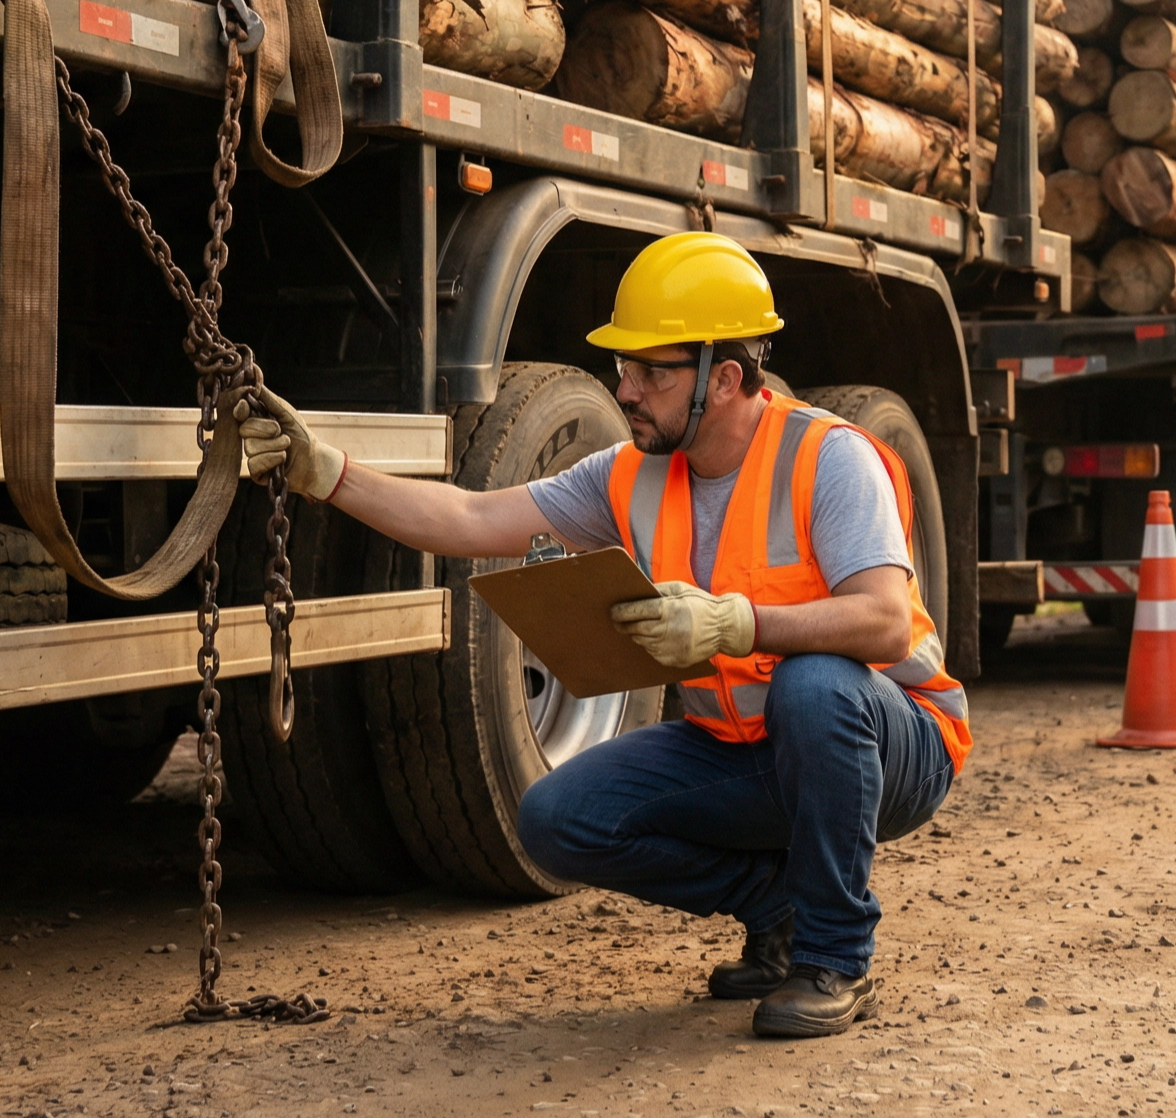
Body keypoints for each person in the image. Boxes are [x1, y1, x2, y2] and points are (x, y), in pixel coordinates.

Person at [239, 231, 969, 1037]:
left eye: (652, 371)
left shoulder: (830, 458)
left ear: (724, 377)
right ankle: (780, 909)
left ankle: (834, 957)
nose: (626, 388)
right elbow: (469, 517)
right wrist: (327, 472)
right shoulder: (627, 472)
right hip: (749, 748)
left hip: (892, 740)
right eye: (625, 366)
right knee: (557, 817)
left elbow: (884, 619)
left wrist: (736, 622)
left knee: (815, 682)